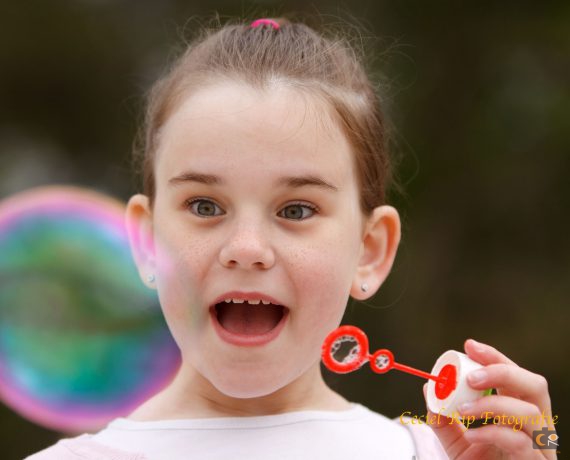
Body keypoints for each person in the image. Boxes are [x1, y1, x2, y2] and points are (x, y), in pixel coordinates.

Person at [27, 17, 556, 460]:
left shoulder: (437, 454)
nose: (247, 249)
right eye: (205, 206)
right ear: (145, 242)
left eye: (297, 209)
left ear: (370, 251)